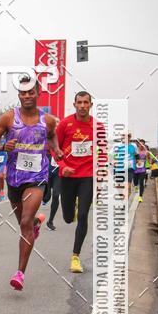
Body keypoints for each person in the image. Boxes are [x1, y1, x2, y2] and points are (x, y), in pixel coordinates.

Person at [0, 78, 60, 290]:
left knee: (26, 221)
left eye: (30, 92)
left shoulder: (47, 120)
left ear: (38, 93)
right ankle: (35, 225)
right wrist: (2, 146)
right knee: (24, 224)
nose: (26, 96)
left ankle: (20, 273)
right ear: (19, 94)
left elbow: (52, 136)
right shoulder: (9, 118)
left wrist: (56, 149)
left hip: (37, 177)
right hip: (14, 179)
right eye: (23, 92)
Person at [56, 91, 100, 273]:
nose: (82, 105)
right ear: (74, 104)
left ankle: (75, 257)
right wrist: (62, 165)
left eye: (86, 102)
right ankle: (70, 210)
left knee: (83, 215)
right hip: (67, 175)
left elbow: (103, 152)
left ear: (91, 105)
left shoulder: (98, 127)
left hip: (87, 176)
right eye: (79, 102)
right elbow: (54, 148)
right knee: (68, 218)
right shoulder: (65, 124)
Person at [43, 154, 61, 230]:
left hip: (58, 173)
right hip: (47, 171)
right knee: (46, 197)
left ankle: (50, 221)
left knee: (56, 195)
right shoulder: (49, 143)